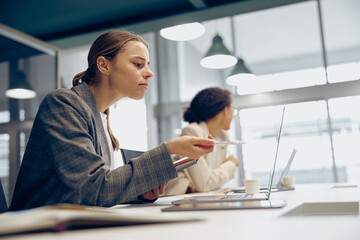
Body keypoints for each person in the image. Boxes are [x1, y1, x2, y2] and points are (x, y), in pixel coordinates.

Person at [9, 31, 214, 211]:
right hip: (36, 231)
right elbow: (93, 189)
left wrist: (139, 193)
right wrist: (168, 149)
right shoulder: (62, 104)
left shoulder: (100, 115)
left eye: (147, 65)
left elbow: (93, 190)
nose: (150, 73)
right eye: (137, 64)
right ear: (104, 65)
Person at [163, 87, 239, 195]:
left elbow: (209, 184)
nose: (232, 114)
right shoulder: (192, 132)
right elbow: (205, 184)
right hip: (178, 201)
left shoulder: (222, 136)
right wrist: (231, 163)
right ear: (224, 110)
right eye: (232, 109)